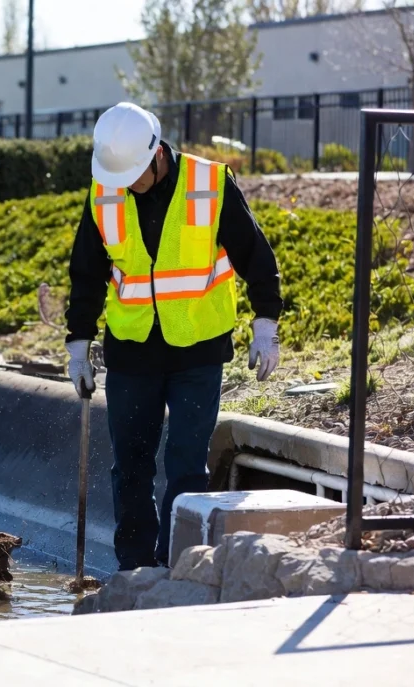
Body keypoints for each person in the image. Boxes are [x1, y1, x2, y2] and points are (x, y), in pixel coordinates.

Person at [64, 102, 284, 571]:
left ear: (157, 154)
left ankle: (178, 567)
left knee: (186, 466)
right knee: (131, 467)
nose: (127, 186)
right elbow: (86, 272)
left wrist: (266, 321)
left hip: (198, 351)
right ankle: (135, 567)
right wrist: (78, 344)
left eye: (136, 176)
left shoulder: (209, 183)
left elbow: (255, 255)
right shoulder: (105, 191)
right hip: (132, 350)